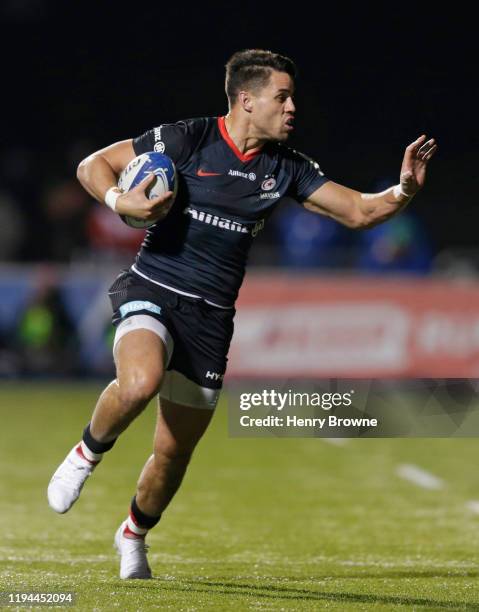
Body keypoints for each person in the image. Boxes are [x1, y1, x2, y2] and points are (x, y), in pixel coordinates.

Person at [47, 49, 437, 579]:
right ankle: (85, 454)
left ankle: (133, 535)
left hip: (211, 319)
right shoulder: (188, 138)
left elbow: (361, 211)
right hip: (155, 287)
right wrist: (120, 201)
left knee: (172, 453)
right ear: (246, 100)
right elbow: (92, 165)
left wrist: (404, 189)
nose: (292, 107)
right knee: (140, 382)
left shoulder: (285, 168)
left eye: (292, 96)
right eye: (282, 96)